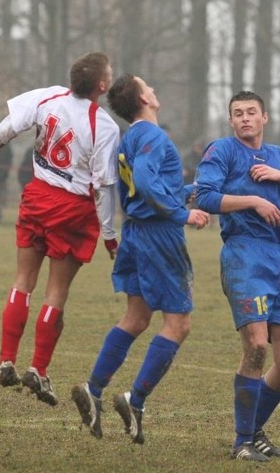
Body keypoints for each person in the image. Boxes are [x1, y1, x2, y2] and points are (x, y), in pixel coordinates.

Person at [0, 52, 120, 406]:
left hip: (37, 198)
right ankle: (38, 368)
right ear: (102, 85)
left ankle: (6, 358)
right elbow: (104, 186)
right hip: (73, 209)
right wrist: (110, 238)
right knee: (56, 293)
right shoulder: (104, 125)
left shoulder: (46, 96)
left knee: (22, 281)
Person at [71, 74, 209, 443]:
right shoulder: (151, 135)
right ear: (143, 98)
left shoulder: (131, 137)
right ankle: (136, 399)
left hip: (135, 231)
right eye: (149, 86)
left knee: (136, 317)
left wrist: (194, 192)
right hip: (158, 236)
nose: (154, 89)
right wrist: (183, 214)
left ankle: (93, 389)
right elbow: (148, 186)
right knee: (178, 324)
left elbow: (150, 186)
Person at [194, 90, 280, 462]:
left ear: (265, 118)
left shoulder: (277, 156)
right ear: (230, 121)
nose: (244, 118)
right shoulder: (222, 151)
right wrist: (255, 201)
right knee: (258, 346)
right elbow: (206, 197)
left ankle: (252, 431)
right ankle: (242, 440)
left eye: (251, 112)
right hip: (244, 253)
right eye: (237, 113)